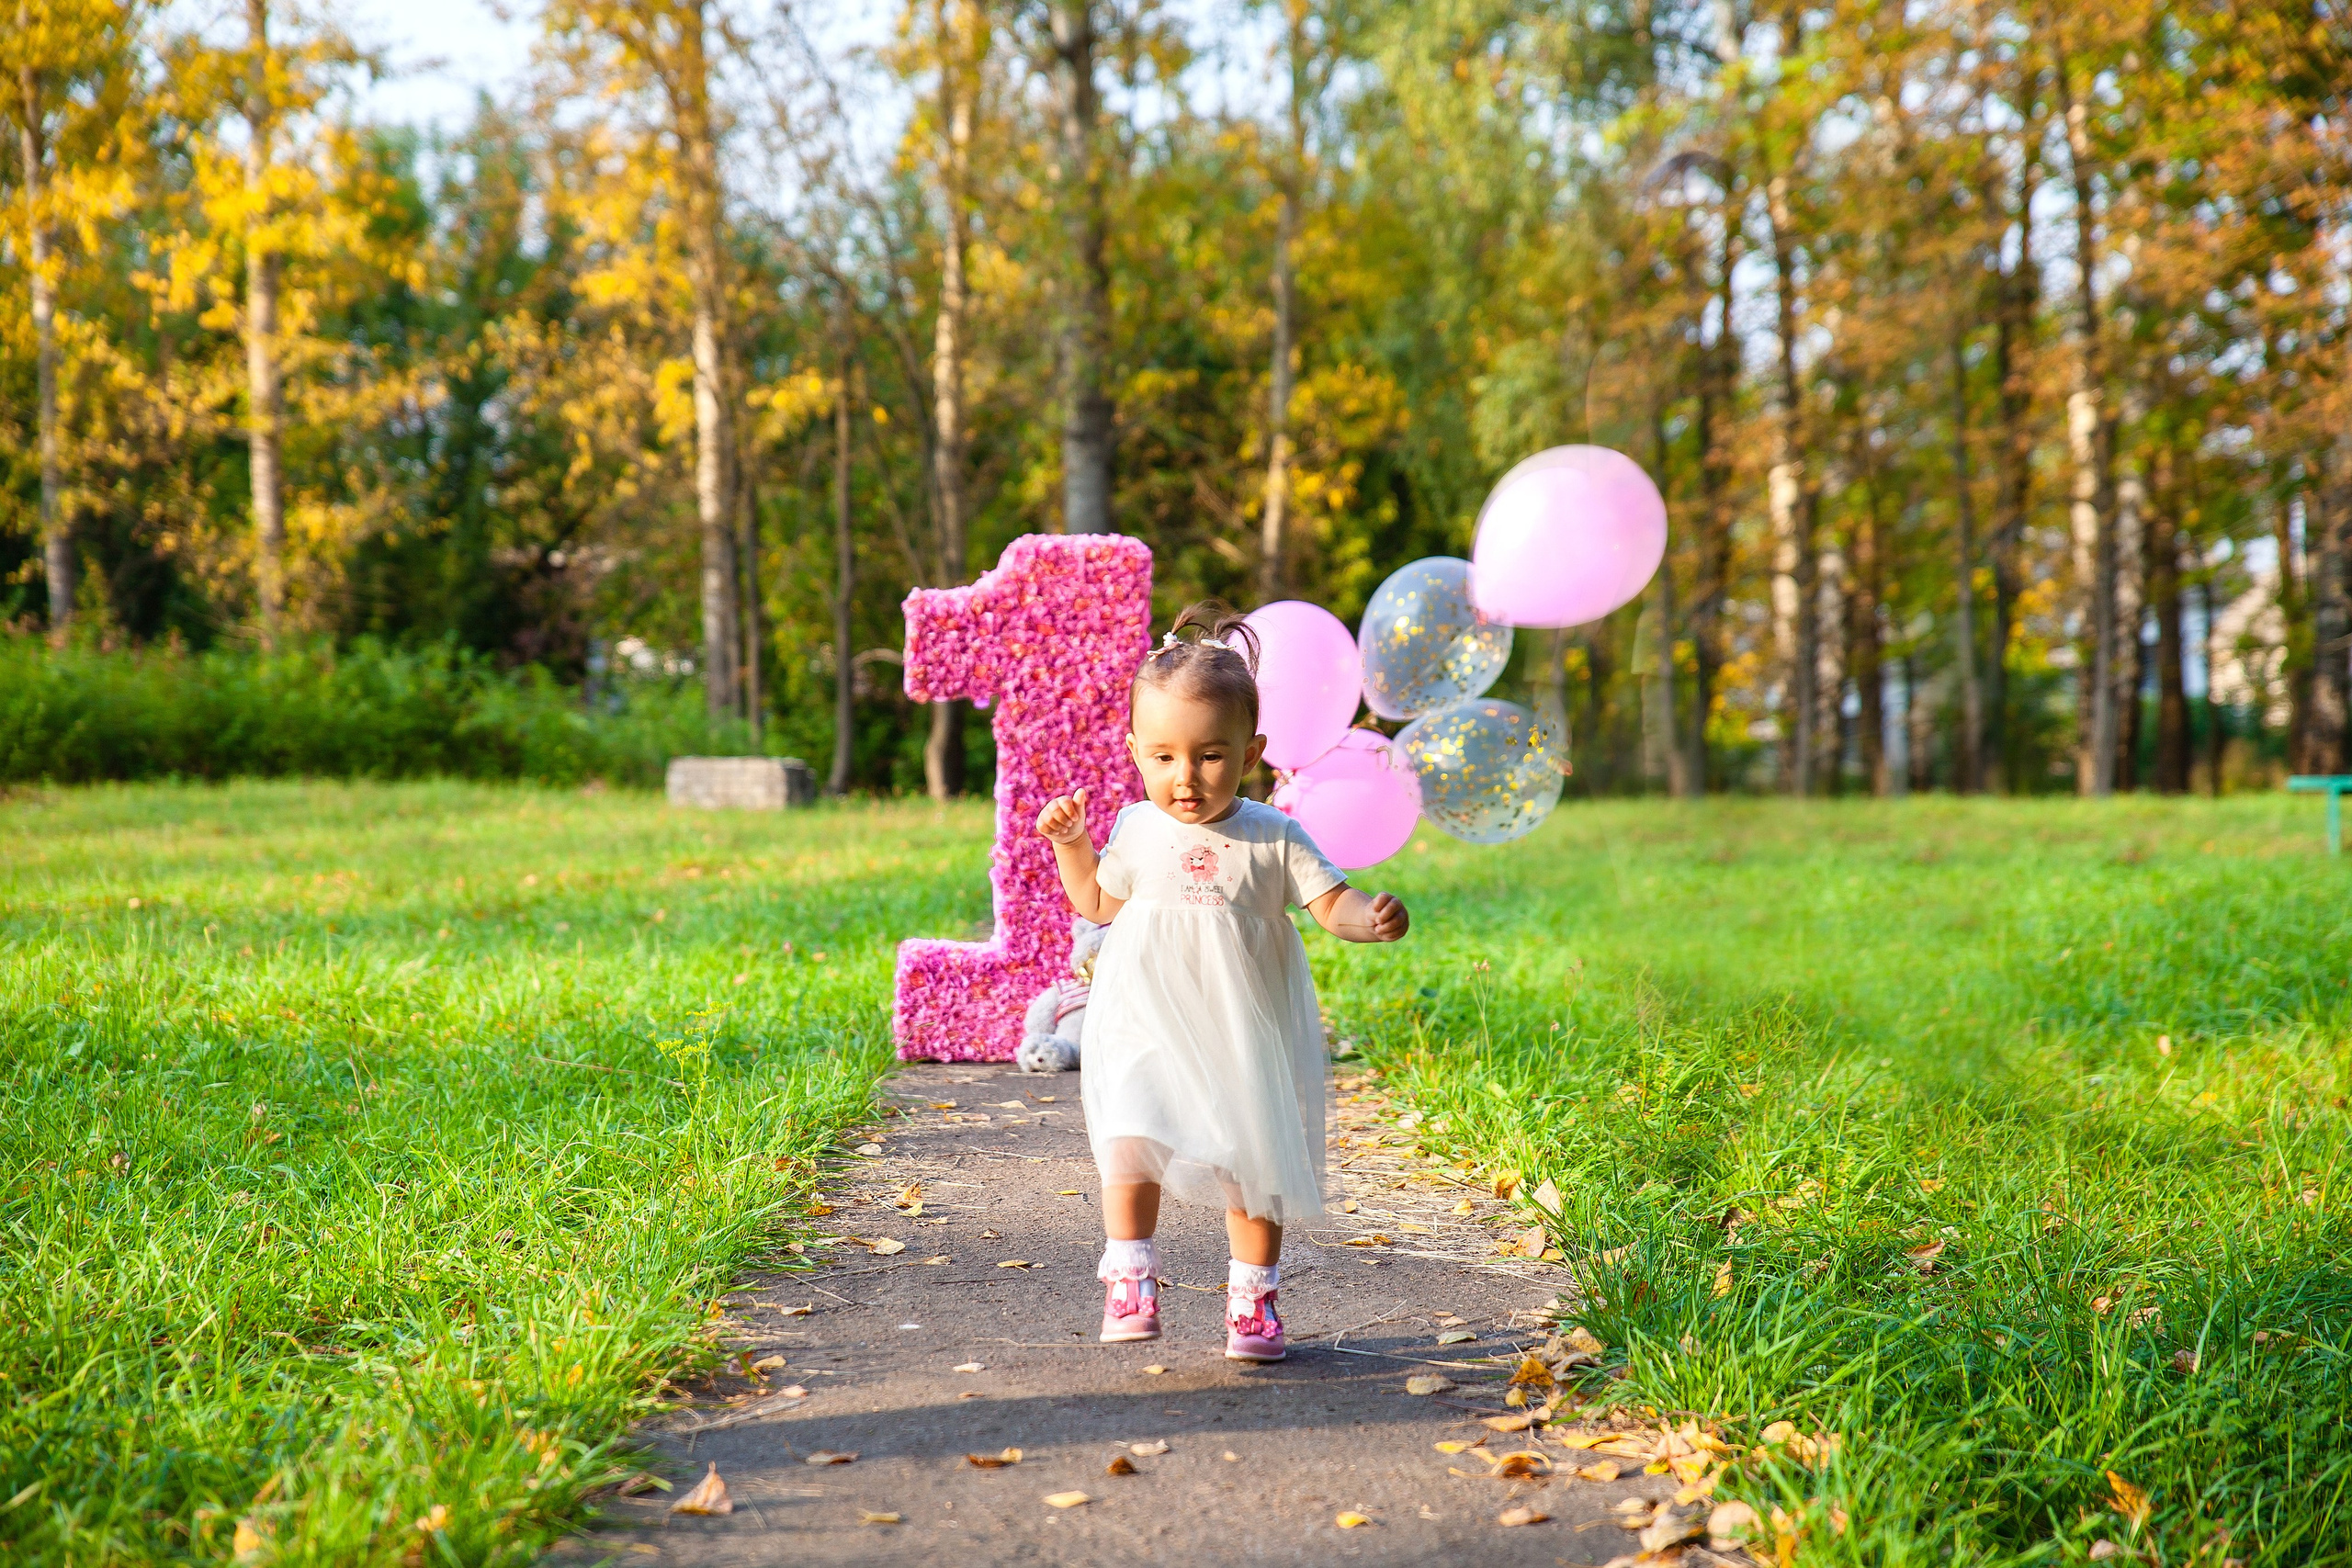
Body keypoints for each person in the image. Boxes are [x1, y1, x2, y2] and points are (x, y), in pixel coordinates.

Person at [1034, 602, 1411, 1362]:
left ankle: (1253, 1299)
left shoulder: (1274, 836)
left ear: (1252, 750)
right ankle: (1131, 1277)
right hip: (1145, 1016)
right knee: (1131, 1138)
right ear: (1136, 750)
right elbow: (1100, 903)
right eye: (1165, 756)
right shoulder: (1138, 828)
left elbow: (1329, 903)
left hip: (1240, 1027)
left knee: (1251, 1161)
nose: (1186, 777)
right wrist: (1073, 845)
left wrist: (1368, 919)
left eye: (1210, 755)